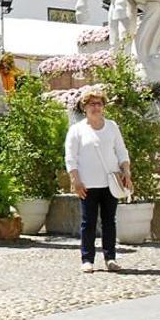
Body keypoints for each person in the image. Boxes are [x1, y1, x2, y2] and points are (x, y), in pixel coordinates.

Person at [64, 88, 133, 273]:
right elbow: (71, 157)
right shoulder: (77, 130)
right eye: (92, 104)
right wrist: (75, 179)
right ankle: (87, 259)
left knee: (110, 221)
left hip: (110, 182)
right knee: (89, 222)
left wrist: (126, 171)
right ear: (84, 107)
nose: (96, 107)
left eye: (99, 104)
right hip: (87, 183)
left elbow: (121, 150)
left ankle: (110, 258)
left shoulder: (111, 126)